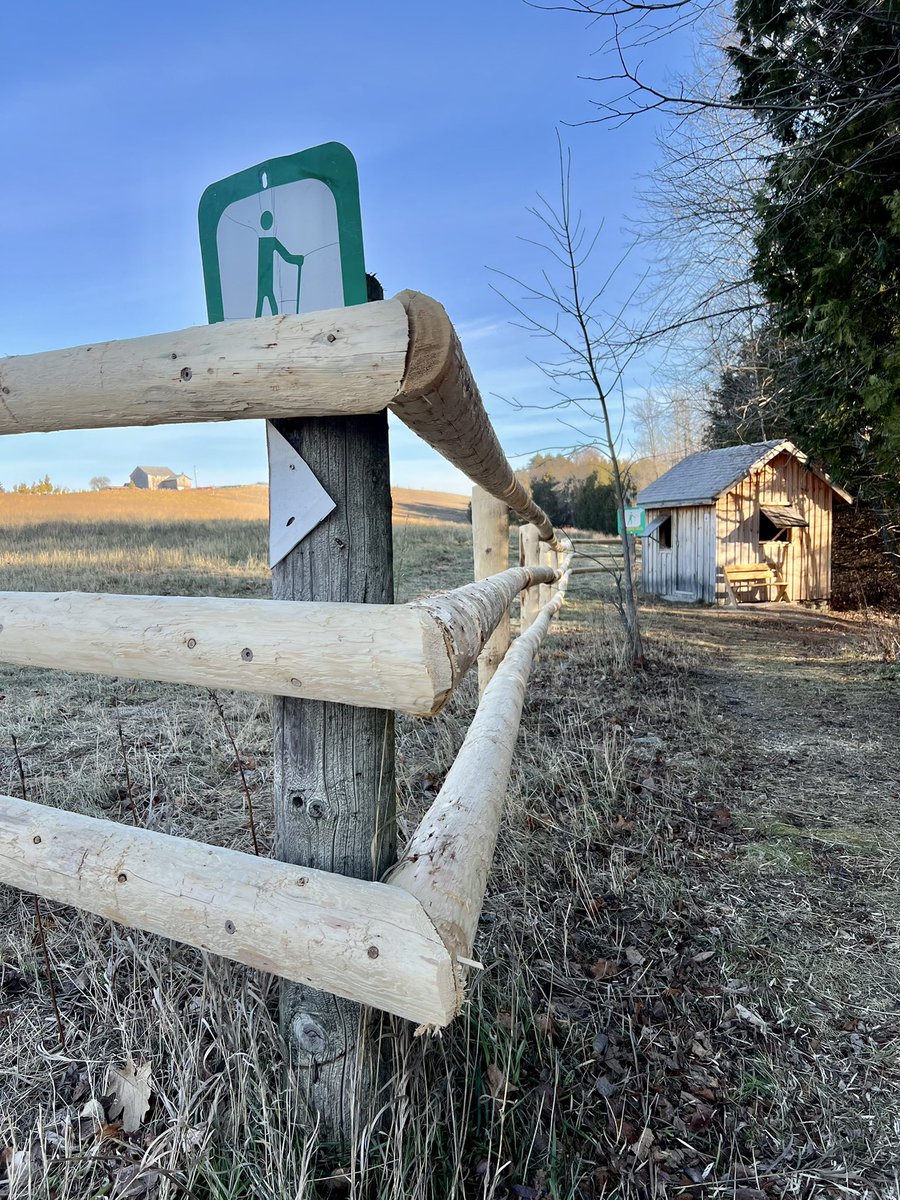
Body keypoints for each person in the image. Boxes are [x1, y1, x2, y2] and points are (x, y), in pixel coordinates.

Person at [255, 211, 304, 317]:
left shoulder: (269, 241)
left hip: (266, 281)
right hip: (263, 281)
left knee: (268, 307)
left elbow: (286, 256)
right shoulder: (266, 241)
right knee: (265, 307)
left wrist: (297, 260)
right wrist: (298, 260)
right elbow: (286, 256)